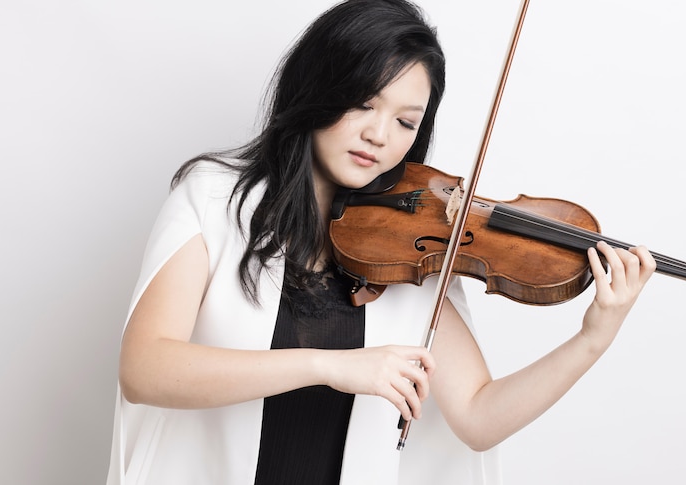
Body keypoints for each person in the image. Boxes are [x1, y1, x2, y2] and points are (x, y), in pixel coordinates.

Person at [106, 0, 656, 484]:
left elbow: (478, 417)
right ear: (317, 88)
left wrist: (592, 338)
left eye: (405, 122)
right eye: (363, 104)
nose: (379, 135)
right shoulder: (214, 199)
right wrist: (331, 365)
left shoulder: (410, 250)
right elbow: (146, 369)